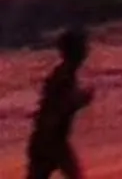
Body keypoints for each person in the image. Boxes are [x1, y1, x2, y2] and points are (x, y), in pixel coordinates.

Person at [24, 29, 88, 179]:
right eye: (83, 47)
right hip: (51, 141)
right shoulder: (64, 76)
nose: (87, 51)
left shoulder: (65, 74)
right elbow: (57, 108)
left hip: (50, 140)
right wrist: (78, 101)